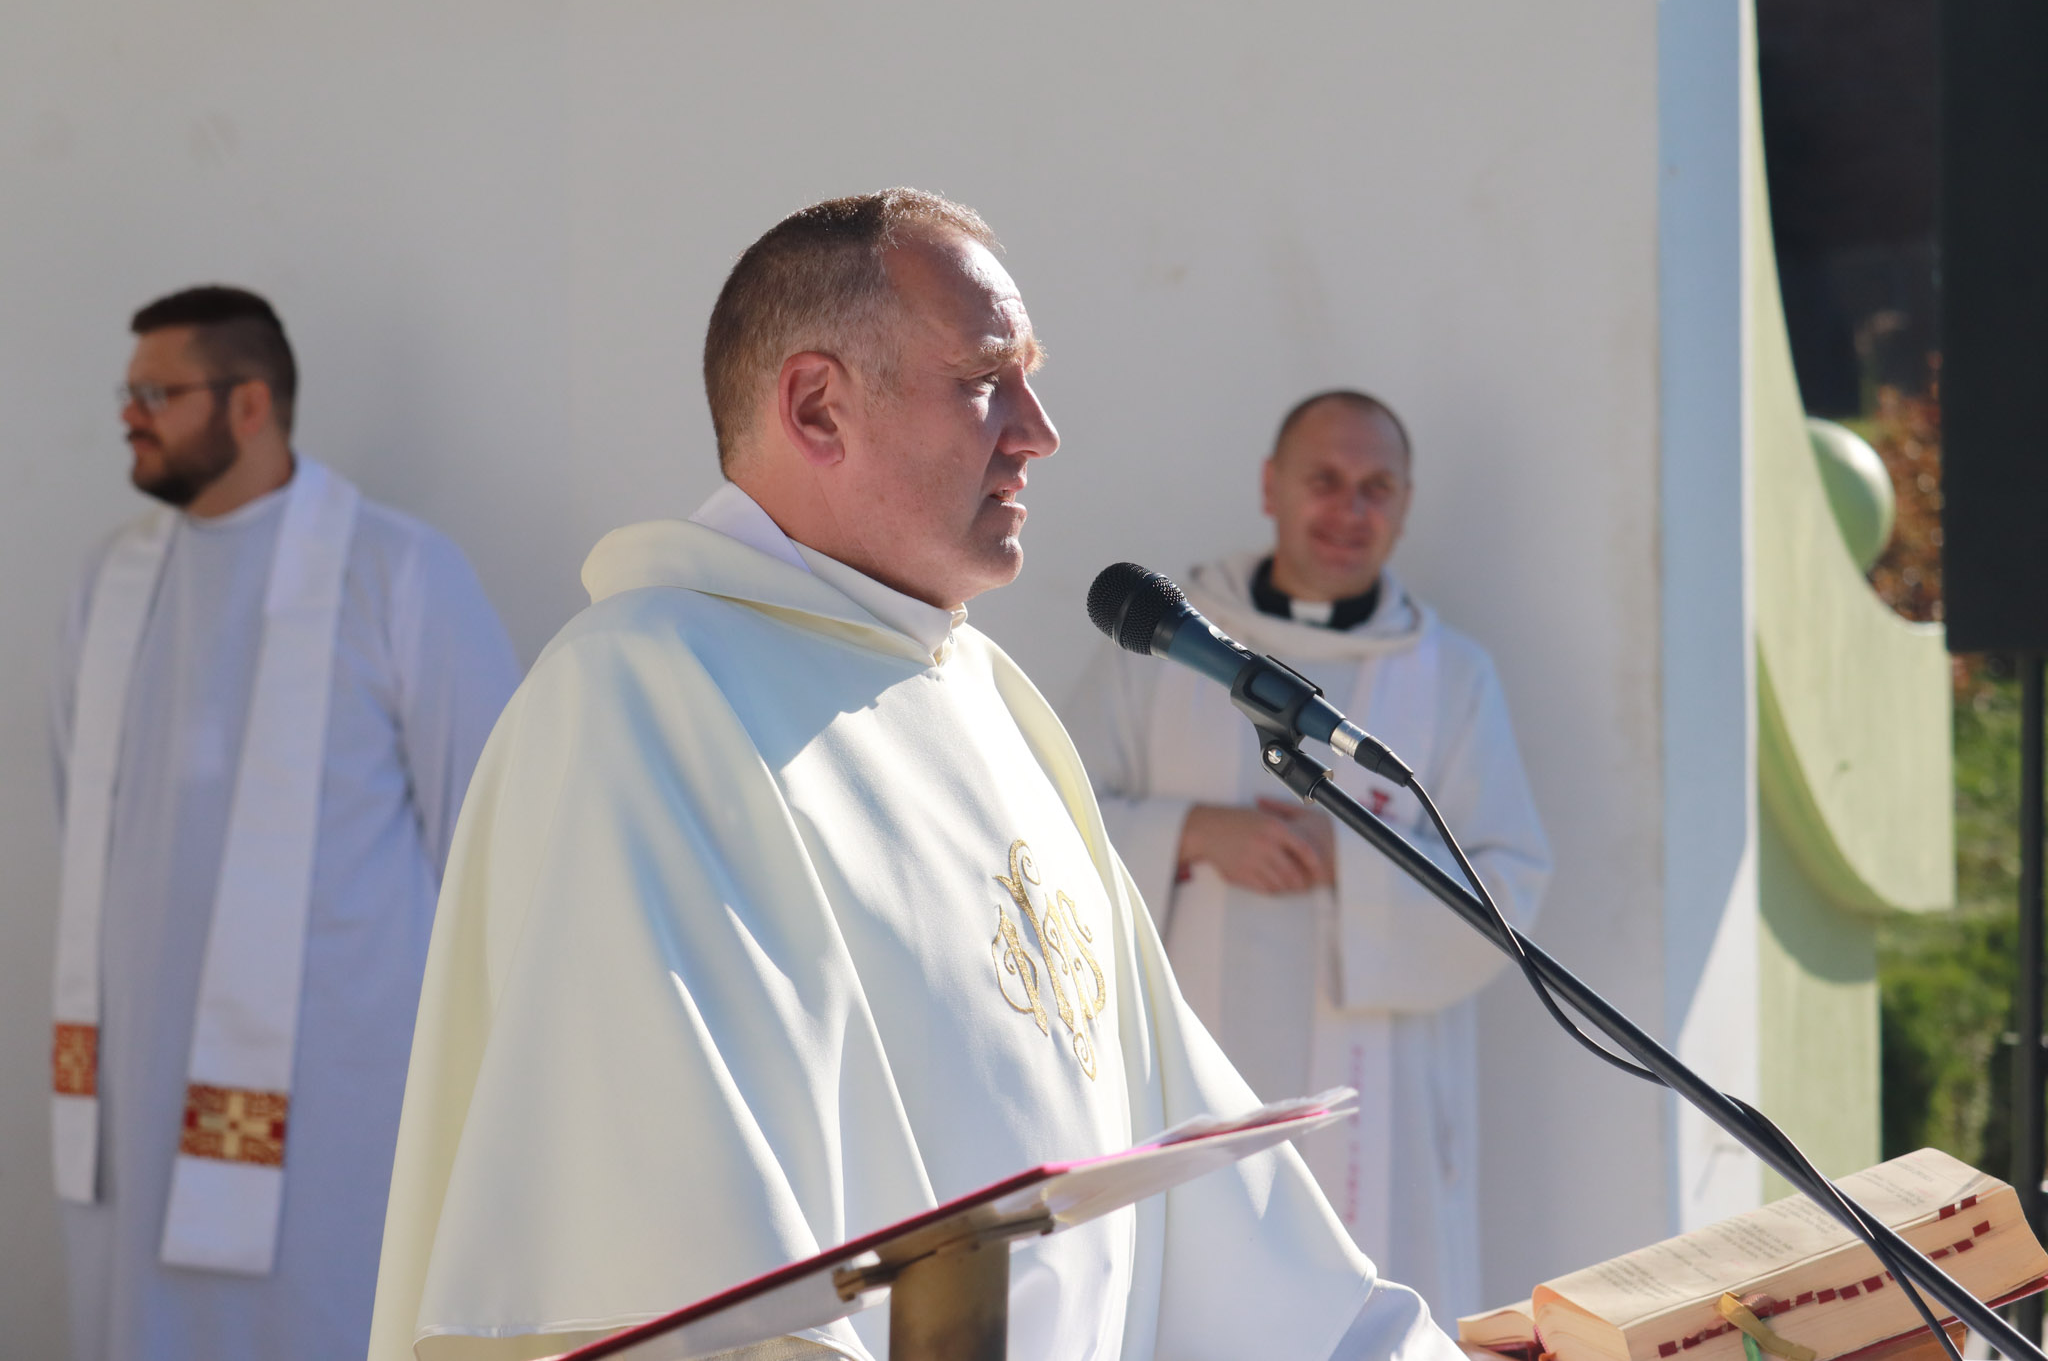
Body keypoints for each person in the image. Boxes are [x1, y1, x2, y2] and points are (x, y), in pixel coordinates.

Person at [367, 192, 1463, 1361]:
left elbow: (1197, 1179)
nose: (1038, 432)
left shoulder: (989, 704)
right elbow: (673, 1255)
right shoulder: (643, 698)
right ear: (816, 406)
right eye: (987, 378)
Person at [49, 286, 521, 1361]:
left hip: (335, 1094)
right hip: (137, 1090)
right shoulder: (109, 584)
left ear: (250, 403)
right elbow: (77, 800)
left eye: (156, 394)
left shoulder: (397, 572)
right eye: (129, 392)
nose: (129, 414)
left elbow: (489, 831)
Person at [1065, 390, 1552, 1321]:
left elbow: (1511, 883)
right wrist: (1191, 834)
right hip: (1184, 1075)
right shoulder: (1162, 648)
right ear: (1270, 487)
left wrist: (1352, 854)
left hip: (1378, 1112)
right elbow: (1051, 824)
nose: (1349, 509)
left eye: (1377, 488)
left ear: (1405, 505)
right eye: (1324, 480)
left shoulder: (1449, 676)